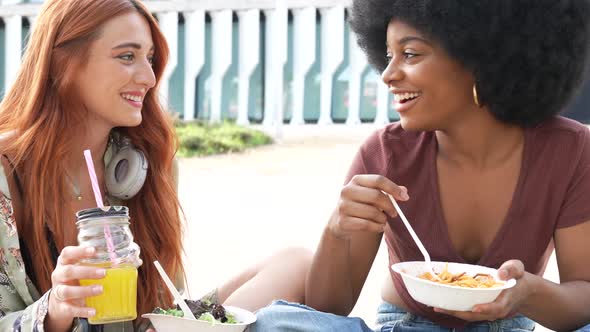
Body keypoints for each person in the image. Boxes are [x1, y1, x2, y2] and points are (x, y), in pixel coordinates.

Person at [252, 0, 590, 331]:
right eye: (387, 56)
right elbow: (328, 310)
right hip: (405, 326)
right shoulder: (385, 154)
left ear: (480, 58)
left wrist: (527, 294)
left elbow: (583, 297)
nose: (388, 75)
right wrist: (337, 229)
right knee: (278, 322)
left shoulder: (570, 150)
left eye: (410, 54)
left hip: (507, 328)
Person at [0, 0, 311, 331]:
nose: (149, 78)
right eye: (126, 56)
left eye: (149, 59)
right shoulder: (6, 170)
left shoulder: (143, 163)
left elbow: (166, 299)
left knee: (296, 263)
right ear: (63, 62)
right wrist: (56, 308)